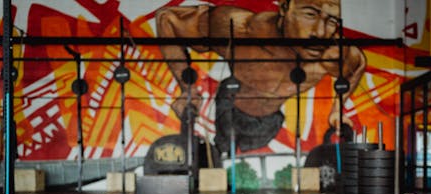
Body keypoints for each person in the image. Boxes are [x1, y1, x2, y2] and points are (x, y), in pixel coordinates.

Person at [155, 0, 366, 153]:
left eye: (331, 21)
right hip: (229, 108)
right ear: (284, 8)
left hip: (270, 123)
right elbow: (167, 19)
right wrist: (187, 89)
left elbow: (357, 66)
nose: (320, 32)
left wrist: (338, 109)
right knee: (223, 152)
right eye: (310, 14)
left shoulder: (334, 53)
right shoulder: (240, 30)